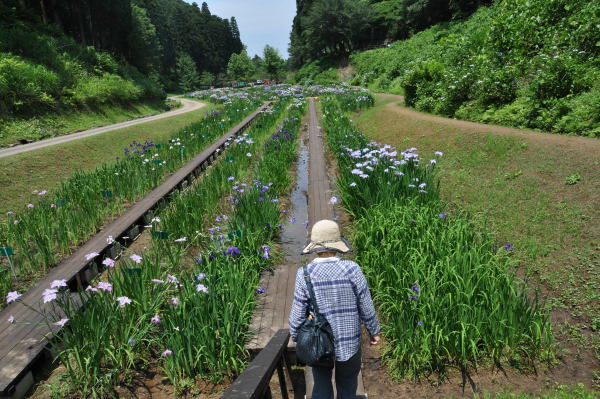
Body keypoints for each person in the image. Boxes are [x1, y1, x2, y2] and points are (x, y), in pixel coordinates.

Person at [289, 219, 380, 399]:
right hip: (350, 341)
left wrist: (295, 335)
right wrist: (373, 330)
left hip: (319, 342)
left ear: (315, 247)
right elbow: (366, 305)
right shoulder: (352, 269)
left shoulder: (305, 273)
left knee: (321, 386)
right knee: (348, 386)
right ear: (337, 245)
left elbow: (298, 314)